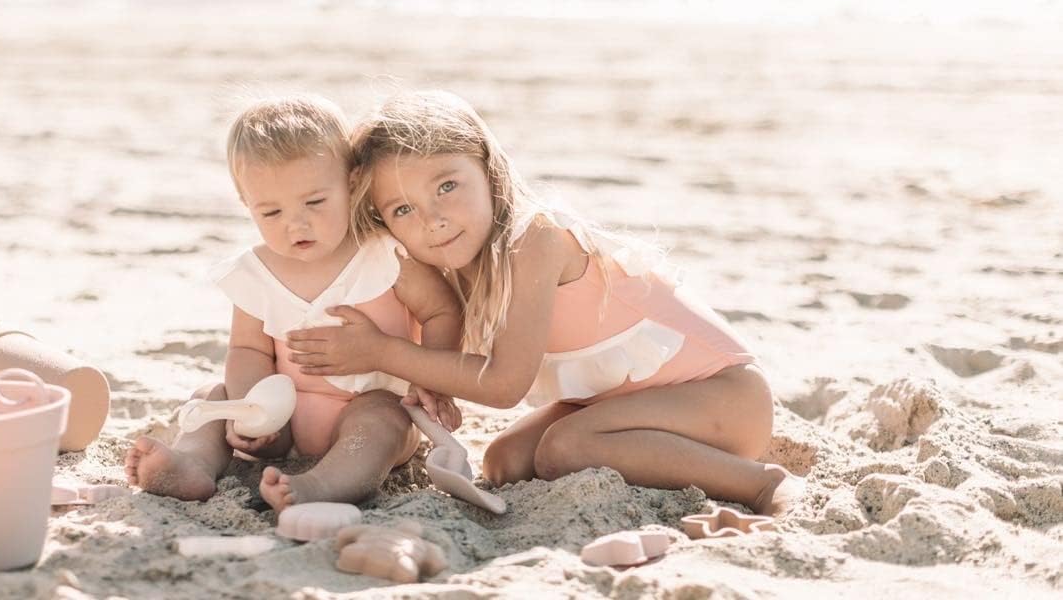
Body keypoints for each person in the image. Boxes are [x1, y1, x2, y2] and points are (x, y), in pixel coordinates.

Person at [285, 90, 804, 516]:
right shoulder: (457, 257)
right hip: (620, 401)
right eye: (403, 209)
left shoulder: (535, 239)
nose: (432, 219)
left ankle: (759, 483)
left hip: (721, 396)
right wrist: (431, 384)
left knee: (566, 449)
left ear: (488, 171)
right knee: (506, 460)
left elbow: (504, 385)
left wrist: (378, 352)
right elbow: (452, 355)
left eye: (447, 185)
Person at [125, 94, 462, 511]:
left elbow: (442, 310)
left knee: (380, 420)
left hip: (369, 406)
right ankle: (193, 463)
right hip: (282, 419)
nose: (295, 223)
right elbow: (248, 349)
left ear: (353, 183)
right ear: (247, 204)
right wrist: (250, 410)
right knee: (211, 394)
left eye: (315, 203)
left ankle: (320, 487)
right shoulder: (255, 273)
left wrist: (431, 378)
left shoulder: (384, 256)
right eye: (270, 212)